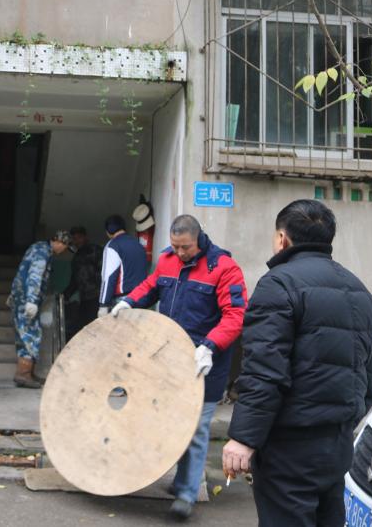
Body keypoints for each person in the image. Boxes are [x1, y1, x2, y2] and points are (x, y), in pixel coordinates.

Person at [222, 200, 372, 527]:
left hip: (289, 446)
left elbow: (265, 372)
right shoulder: (358, 289)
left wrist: (244, 438)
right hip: (337, 443)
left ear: (282, 238)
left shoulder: (278, 284)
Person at [112, 214, 247, 521]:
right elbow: (151, 286)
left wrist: (210, 346)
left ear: (199, 239)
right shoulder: (167, 260)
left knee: (196, 428)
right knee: (170, 422)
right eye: (175, 246)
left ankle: (186, 494)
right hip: (169, 361)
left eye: (185, 247)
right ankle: (180, 479)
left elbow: (235, 315)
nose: (180, 253)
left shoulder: (224, 268)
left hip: (205, 365)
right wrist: (129, 302)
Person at [8, 230, 71, 388]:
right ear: (60, 242)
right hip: (26, 300)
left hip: (20, 298)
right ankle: (24, 374)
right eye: (65, 246)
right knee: (32, 335)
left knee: (24, 336)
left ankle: (24, 373)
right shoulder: (42, 252)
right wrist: (32, 301)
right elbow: (35, 276)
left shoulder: (38, 247)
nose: (64, 250)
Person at [97, 214, 148, 317]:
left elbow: (108, 277)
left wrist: (103, 305)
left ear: (108, 232)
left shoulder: (113, 245)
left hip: (123, 301)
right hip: (141, 298)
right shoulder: (138, 245)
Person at [63, 226, 102, 340]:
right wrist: (65, 294)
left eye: (79, 237)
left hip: (97, 297)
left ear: (85, 237)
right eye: (74, 239)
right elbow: (75, 280)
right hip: (84, 298)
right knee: (82, 328)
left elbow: (104, 272)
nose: (77, 241)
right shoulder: (76, 257)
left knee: (96, 327)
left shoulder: (95, 250)